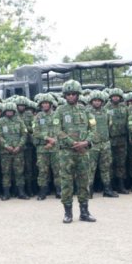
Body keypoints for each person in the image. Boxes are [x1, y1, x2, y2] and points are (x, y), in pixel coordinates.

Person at [55, 81, 96, 223]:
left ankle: (84, 212)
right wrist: (72, 143)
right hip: (67, 153)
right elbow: (57, 130)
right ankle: (68, 213)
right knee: (66, 182)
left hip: (83, 152)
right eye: (68, 94)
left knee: (84, 181)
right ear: (65, 96)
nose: (71, 96)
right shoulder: (60, 111)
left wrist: (86, 142)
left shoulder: (86, 111)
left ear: (78, 95)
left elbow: (93, 130)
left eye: (73, 94)